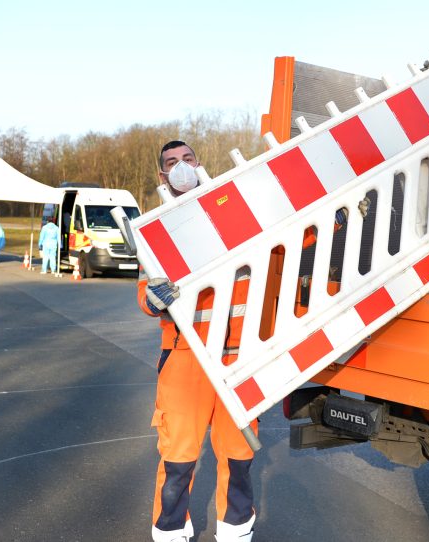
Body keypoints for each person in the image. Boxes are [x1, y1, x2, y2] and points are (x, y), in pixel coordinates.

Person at [139, 141, 258, 542]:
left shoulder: (232, 215)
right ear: (162, 176)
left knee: (238, 455)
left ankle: (236, 529)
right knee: (178, 458)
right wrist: (152, 298)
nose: (182, 168)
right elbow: (145, 294)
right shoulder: (155, 231)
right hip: (185, 359)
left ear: (200, 165)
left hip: (238, 356)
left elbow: (279, 237)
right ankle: (171, 530)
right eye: (172, 163)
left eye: (188, 160)